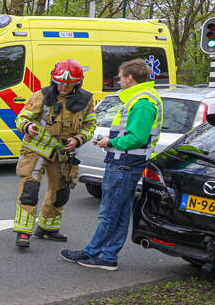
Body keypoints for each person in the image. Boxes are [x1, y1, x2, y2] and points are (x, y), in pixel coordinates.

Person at [61, 59, 162, 270]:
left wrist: (111, 142)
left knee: (109, 213)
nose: (118, 79)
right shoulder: (140, 99)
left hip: (124, 164)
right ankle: (108, 256)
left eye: (121, 76)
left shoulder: (142, 102)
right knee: (120, 212)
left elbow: (138, 137)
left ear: (130, 78)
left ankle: (93, 253)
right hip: (126, 163)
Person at [13, 60, 96, 249]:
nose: (64, 86)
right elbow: (21, 118)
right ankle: (23, 232)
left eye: (69, 83)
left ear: (78, 83)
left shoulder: (86, 100)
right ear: (53, 79)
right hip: (36, 150)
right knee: (29, 191)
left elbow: (90, 125)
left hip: (63, 153)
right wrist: (28, 126)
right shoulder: (41, 95)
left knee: (61, 192)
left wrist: (78, 139)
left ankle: (47, 228)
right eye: (60, 82)